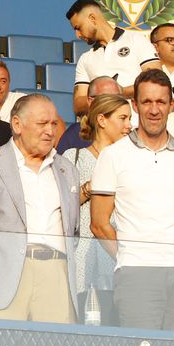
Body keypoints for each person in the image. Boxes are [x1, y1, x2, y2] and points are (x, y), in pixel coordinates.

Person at [90, 70, 174, 331]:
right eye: (147, 102)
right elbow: (98, 224)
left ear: (171, 105)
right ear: (135, 105)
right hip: (136, 272)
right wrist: (129, 257)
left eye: (161, 102)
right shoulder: (113, 155)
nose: (154, 110)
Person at [0, 94, 81, 323]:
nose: (50, 131)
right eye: (42, 124)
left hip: (56, 274)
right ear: (17, 124)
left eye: (54, 124)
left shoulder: (67, 169)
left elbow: (73, 230)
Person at [63, 92, 130, 306]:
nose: (129, 125)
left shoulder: (131, 161)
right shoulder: (73, 156)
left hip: (117, 250)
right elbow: (63, 205)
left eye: (129, 119)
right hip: (83, 251)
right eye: (123, 118)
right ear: (102, 120)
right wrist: (90, 188)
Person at [66, 0, 159, 116]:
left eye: (78, 28)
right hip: (103, 130)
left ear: (92, 18)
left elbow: (156, 82)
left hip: (137, 126)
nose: (78, 35)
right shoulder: (85, 59)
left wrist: (121, 92)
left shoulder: (137, 40)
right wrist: (103, 96)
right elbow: (78, 104)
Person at [57, 75, 120, 154]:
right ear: (91, 101)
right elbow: (59, 164)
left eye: (118, 98)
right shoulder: (75, 134)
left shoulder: (125, 132)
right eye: (106, 98)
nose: (114, 103)